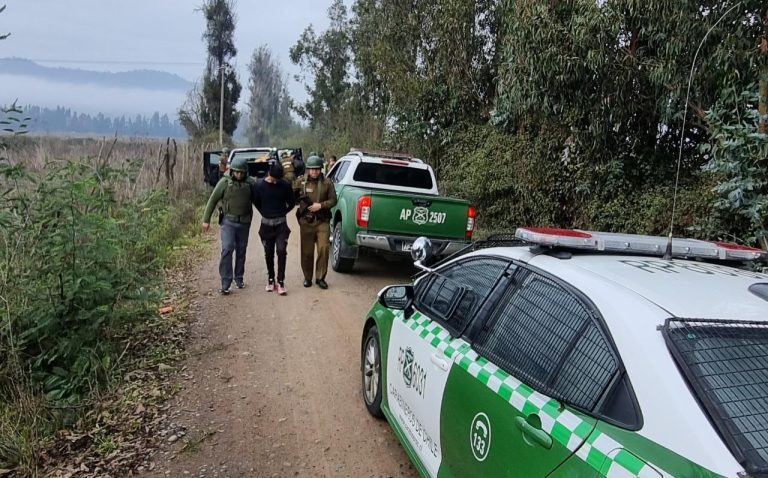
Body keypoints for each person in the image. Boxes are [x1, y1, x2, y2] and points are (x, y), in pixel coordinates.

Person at [202, 157, 256, 295]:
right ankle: (225, 282)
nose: (238, 175)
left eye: (241, 173)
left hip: (244, 222)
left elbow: (259, 200)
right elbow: (212, 200)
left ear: (245, 172)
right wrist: (206, 220)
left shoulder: (250, 183)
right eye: (236, 172)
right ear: (232, 171)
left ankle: (239, 278)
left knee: (241, 251)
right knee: (227, 248)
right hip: (229, 221)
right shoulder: (224, 182)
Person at [252, 163, 295, 295]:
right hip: (266, 225)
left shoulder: (285, 185)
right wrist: (265, 212)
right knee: (269, 253)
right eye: (273, 179)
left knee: (281, 251)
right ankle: (271, 280)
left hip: (281, 224)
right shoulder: (259, 185)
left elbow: (292, 202)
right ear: (269, 175)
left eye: (278, 180)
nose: (275, 182)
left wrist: (282, 212)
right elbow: (256, 201)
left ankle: (281, 282)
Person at [297, 155, 337, 289]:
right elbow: (289, 193)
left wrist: (320, 205)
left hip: (322, 221)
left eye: (317, 169)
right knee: (307, 252)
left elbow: (333, 200)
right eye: (311, 169)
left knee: (324, 248)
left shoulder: (327, 183)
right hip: (306, 222)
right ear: (308, 169)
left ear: (321, 169)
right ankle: (307, 277)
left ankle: (320, 278)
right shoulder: (301, 182)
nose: (314, 172)